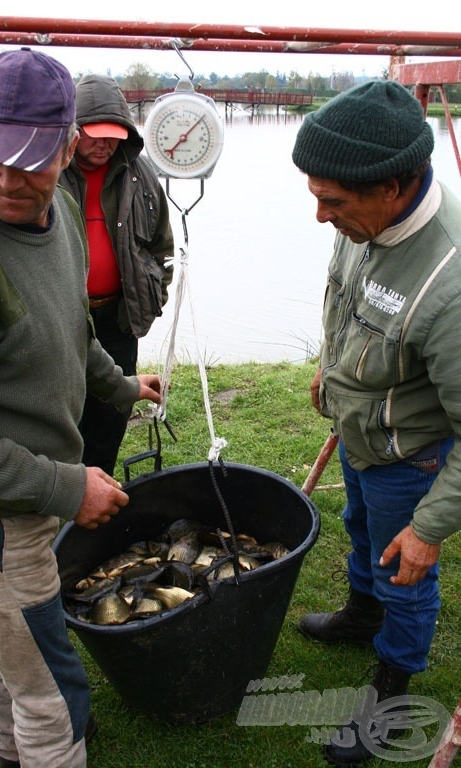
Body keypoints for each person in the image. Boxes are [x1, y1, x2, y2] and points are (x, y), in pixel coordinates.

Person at [0, 48, 162, 768]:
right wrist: (68, 486)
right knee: (52, 684)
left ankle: (11, 752)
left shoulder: (63, 206)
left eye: (29, 160)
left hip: (29, 496)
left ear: (67, 147)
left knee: (1, 640)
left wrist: (121, 387)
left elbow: (69, 330)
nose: (6, 180)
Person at [291, 80, 461, 766]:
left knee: (405, 571)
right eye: (314, 196)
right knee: (359, 529)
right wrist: (331, 368)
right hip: (360, 426)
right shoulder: (363, 217)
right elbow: (346, 297)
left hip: (410, 455)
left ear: (394, 187)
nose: (320, 215)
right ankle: (361, 616)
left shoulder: (450, 284)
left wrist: (427, 529)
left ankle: (393, 689)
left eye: (333, 202)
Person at [59, 74, 174, 476]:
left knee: (110, 417)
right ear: (73, 130)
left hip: (118, 319)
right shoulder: (46, 172)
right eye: (94, 134)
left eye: (114, 134)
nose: (104, 143)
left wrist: (153, 289)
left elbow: (162, 245)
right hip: (62, 321)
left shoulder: (141, 173)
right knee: (61, 417)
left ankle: (99, 493)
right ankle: (62, 498)